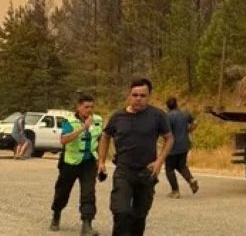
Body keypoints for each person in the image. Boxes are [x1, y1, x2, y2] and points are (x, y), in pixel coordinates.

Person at [98, 78, 173, 236]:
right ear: (129, 95)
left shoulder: (157, 115)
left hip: (147, 172)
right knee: (121, 211)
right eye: (135, 95)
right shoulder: (118, 116)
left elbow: (169, 138)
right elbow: (105, 136)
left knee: (139, 216)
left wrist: (159, 162)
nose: (138, 98)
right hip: (124, 171)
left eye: (142, 95)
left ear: (149, 96)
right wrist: (101, 161)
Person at [49, 94, 103, 235]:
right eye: (86, 107)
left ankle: (87, 224)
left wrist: (100, 161)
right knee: (62, 191)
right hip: (70, 162)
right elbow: (64, 140)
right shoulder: (69, 121)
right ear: (78, 107)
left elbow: (100, 140)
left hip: (89, 162)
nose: (89, 110)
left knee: (88, 193)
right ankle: (56, 214)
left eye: (91, 107)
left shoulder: (98, 120)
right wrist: (83, 128)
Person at [164, 97, 199, 198]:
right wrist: (189, 130)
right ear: (176, 104)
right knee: (181, 166)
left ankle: (175, 191)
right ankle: (191, 180)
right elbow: (195, 122)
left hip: (172, 147)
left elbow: (166, 132)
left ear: (167, 106)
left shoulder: (167, 117)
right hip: (184, 145)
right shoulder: (185, 113)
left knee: (169, 169)